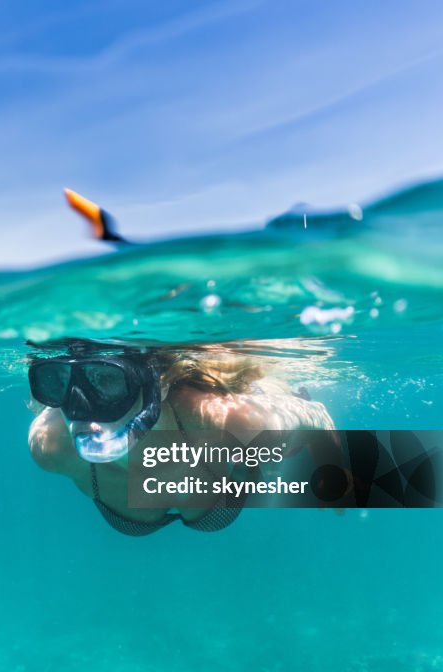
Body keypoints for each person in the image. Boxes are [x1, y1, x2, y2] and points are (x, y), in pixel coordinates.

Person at [26, 191, 335, 535]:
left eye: (108, 381)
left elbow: (316, 416)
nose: (82, 408)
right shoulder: (51, 445)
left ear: (157, 382)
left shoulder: (231, 421)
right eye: (56, 383)